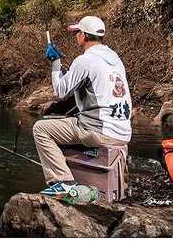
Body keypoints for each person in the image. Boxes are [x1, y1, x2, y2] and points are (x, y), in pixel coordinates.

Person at [33, 15, 132, 198]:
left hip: (100, 132)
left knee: (41, 128)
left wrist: (55, 64)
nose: (76, 35)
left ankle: (62, 182)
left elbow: (61, 91)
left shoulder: (85, 60)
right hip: (123, 133)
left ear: (84, 36)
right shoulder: (115, 59)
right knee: (66, 121)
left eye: (77, 32)